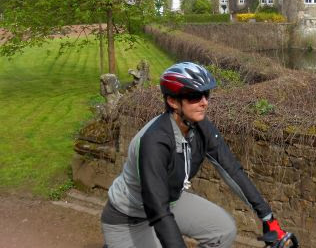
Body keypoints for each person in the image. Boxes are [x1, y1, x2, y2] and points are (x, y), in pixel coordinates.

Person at [100, 62, 297, 248]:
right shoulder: (155, 141)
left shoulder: (200, 127)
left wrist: (267, 217)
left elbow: (232, 170)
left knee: (223, 230)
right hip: (129, 218)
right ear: (172, 101)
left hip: (171, 202)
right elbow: (157, 210)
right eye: (194, 96)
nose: (204, 102)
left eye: (206, 94)